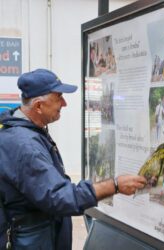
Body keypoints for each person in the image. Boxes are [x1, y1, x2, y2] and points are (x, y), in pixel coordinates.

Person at [0, 69, 146, 250]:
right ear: (38, 106)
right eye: (59, 97)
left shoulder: (23, 131)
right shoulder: (24, 146)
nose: (64, 103)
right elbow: (59, 197)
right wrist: (114, 185)